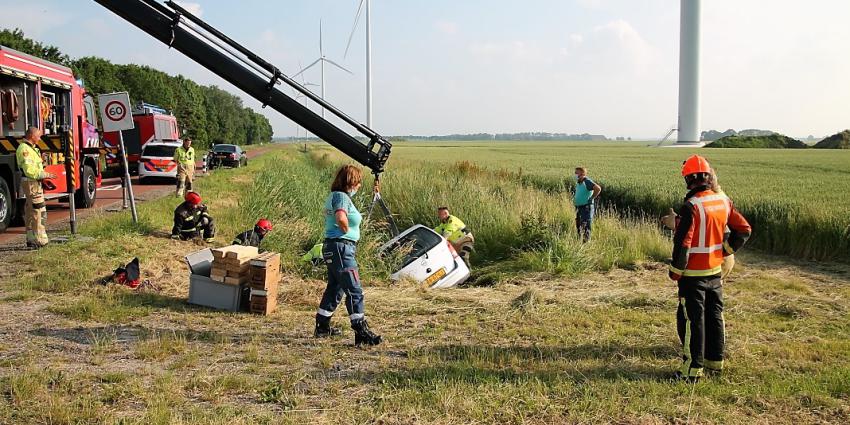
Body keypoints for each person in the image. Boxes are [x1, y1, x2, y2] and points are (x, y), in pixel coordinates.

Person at [669, 155, 751, 382]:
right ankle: (715, 362)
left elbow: (683, 242)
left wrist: (676, 270)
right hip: (715, 272)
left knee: (691, 320)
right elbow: (743, 230)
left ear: (689, 179)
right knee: (715, 315)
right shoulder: (723, 201)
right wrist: (723, 251)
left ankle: (691, 371)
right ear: (708, 176)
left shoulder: (691, 206)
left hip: (693, 275)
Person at [314, 164, 382, 346]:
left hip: (334, 247)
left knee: (335, 289)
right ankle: (361, 331)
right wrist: (344, 229)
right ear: (351, 182)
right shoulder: (341, 197)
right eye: (358, 182)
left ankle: (322, 326)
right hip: (341, 247)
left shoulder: (337, 196)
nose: (359, 186)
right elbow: (341, 217)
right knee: (354, 289)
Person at [15, 127, 56, 248]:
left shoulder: (30, 149)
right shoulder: (25, 149)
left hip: (33, 183)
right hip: (32, 183)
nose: (39, 139)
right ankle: (40, 240)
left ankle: (31, 239)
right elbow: (29, 171)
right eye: (38, 136)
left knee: (30, 211)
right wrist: (46, 175)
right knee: (39, 211)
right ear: (32, 136)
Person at [573, 167, 602, 242]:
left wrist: (592, 198)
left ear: (582, 174)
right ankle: (579, 241)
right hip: (579, 207)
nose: (575, 174)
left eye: (577, 173)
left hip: (586, 207)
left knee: (585, 226)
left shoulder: (587, 181)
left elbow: (598, 188)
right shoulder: (579, 182)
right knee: (579, 224)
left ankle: (586, 244)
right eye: (575, 173)